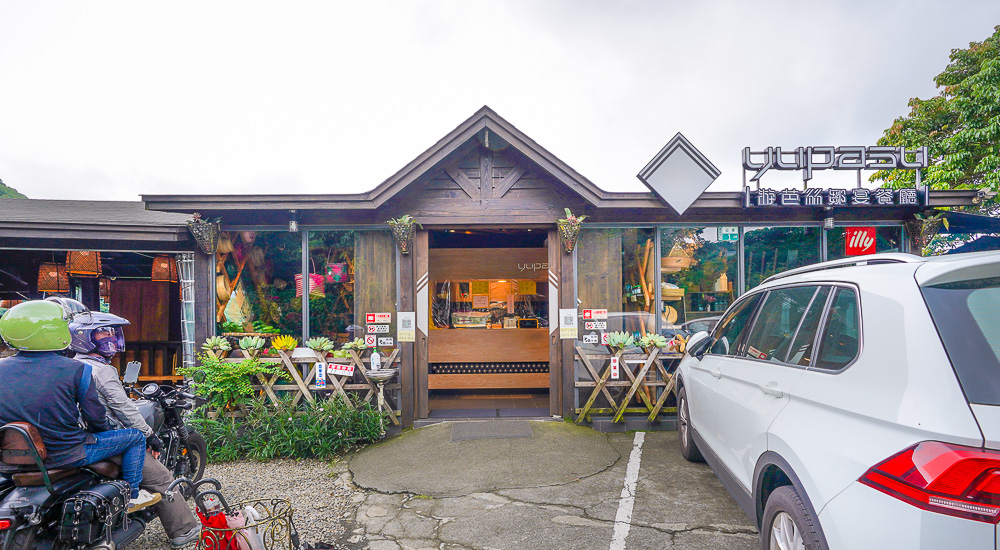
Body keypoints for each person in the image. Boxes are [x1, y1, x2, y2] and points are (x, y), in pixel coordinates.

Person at [60, 298, 201, 548]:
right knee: (161, 477)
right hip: (102, 438)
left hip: (72, 436)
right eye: (104, 332)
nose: (111, 337)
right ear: (85, 337)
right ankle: (184, 531)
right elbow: (123, 408)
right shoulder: (101, 370)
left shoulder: (69, 365)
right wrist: (149, 434)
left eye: (112, 332)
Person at [0, 300, 159, 511]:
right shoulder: (76, 369)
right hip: (66, 454)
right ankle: (131, 495)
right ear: (55, 331)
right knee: (135, 437)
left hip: (10, 460)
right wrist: (104, 434)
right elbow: (95, 417)